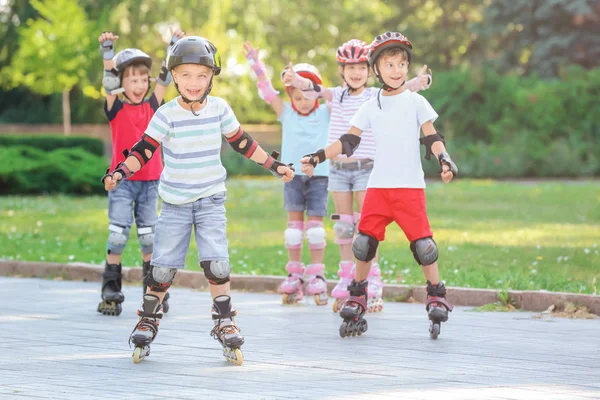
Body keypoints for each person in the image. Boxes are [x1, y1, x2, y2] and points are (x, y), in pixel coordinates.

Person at [102, 36, 294, 365]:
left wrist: (275, 165)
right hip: (175, 204)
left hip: (210, 201)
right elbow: (144, 150)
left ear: (211, 78)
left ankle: (224, 320)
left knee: (217, 263)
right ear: (174, 76)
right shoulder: (165, 114)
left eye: (202, 75)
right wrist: (120, 172)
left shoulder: (219, 109)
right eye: (186, 75)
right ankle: (148, 318)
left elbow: (243, 143)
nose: (194, 82)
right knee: (161, 268)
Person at [301, 32, 457, 340]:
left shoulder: (416, 101)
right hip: (378, 188)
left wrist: (444, 161)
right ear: (377, 69)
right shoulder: (371, 105)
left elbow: (431, 136)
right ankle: (357, 296)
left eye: (402, 63)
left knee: (424, 247)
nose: (397, 70)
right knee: (363, 243)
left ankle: (436, 295)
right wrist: (319, 156)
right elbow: (349, 141)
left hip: (410, 188)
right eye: (389, 64)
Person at [283, 38, 431, 313]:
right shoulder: (336, 95)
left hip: (366, 169)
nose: (356, 73)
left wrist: (419, 83)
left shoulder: (372, 96)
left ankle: (372, 280)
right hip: (338, 170)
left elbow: (402, 88)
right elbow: (312, 89)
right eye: (350, 67)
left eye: (361, 67)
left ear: (370, 69)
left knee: (366, 228)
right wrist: (295, 79)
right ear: (342, 70)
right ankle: (346, 276)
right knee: (343, 227)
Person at [96, 28, 184, 316]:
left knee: (149, 237)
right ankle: (111, 287)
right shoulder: (115, 107)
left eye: (142, 79)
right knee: (118, 234)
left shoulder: (153, 107)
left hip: (150, 182)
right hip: (121, 182)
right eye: (132, 79)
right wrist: (108, 52)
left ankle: (153, 290)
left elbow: (164, 77)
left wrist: (173, 45)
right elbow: (108, 81)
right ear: (122, 82)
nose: (139, 84)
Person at [243, 42, 330, 306]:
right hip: (293, 177)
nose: (303, 102)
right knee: (293, 231)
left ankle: (316, 276)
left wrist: (307, 84)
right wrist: (256, 65)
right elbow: (268, 92)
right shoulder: (287, 112)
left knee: (315, 230)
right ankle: (294, 274)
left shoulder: (327, 112)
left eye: (307, 95)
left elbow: (338, 96)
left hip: (320, 176)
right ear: (291, 96)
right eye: (298, 97)